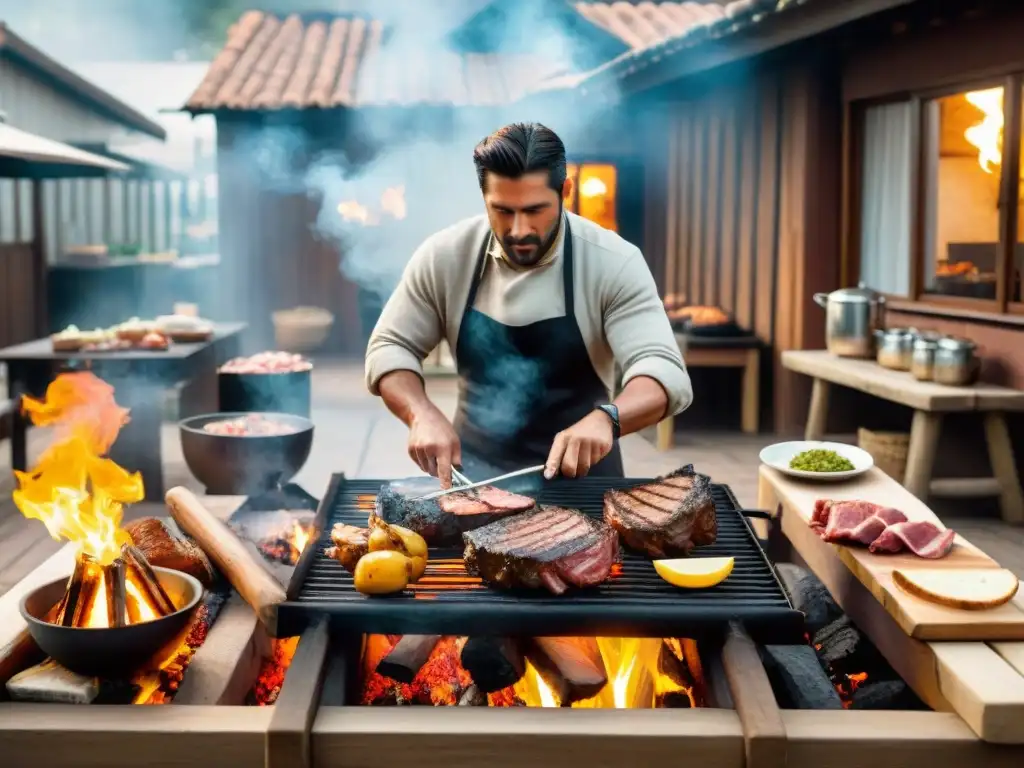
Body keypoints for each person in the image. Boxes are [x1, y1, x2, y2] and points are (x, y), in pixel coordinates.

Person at [365, 122, 692, 488]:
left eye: (535, 210)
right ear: (484, 198)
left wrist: (608, 418)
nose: (519, 229)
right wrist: (420, 412)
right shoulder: (446, 256)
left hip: (586, 483)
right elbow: (391, 346)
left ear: (565, 191)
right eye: (503, 211)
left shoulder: (612, 261)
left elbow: (663, 370)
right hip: (473, 482)